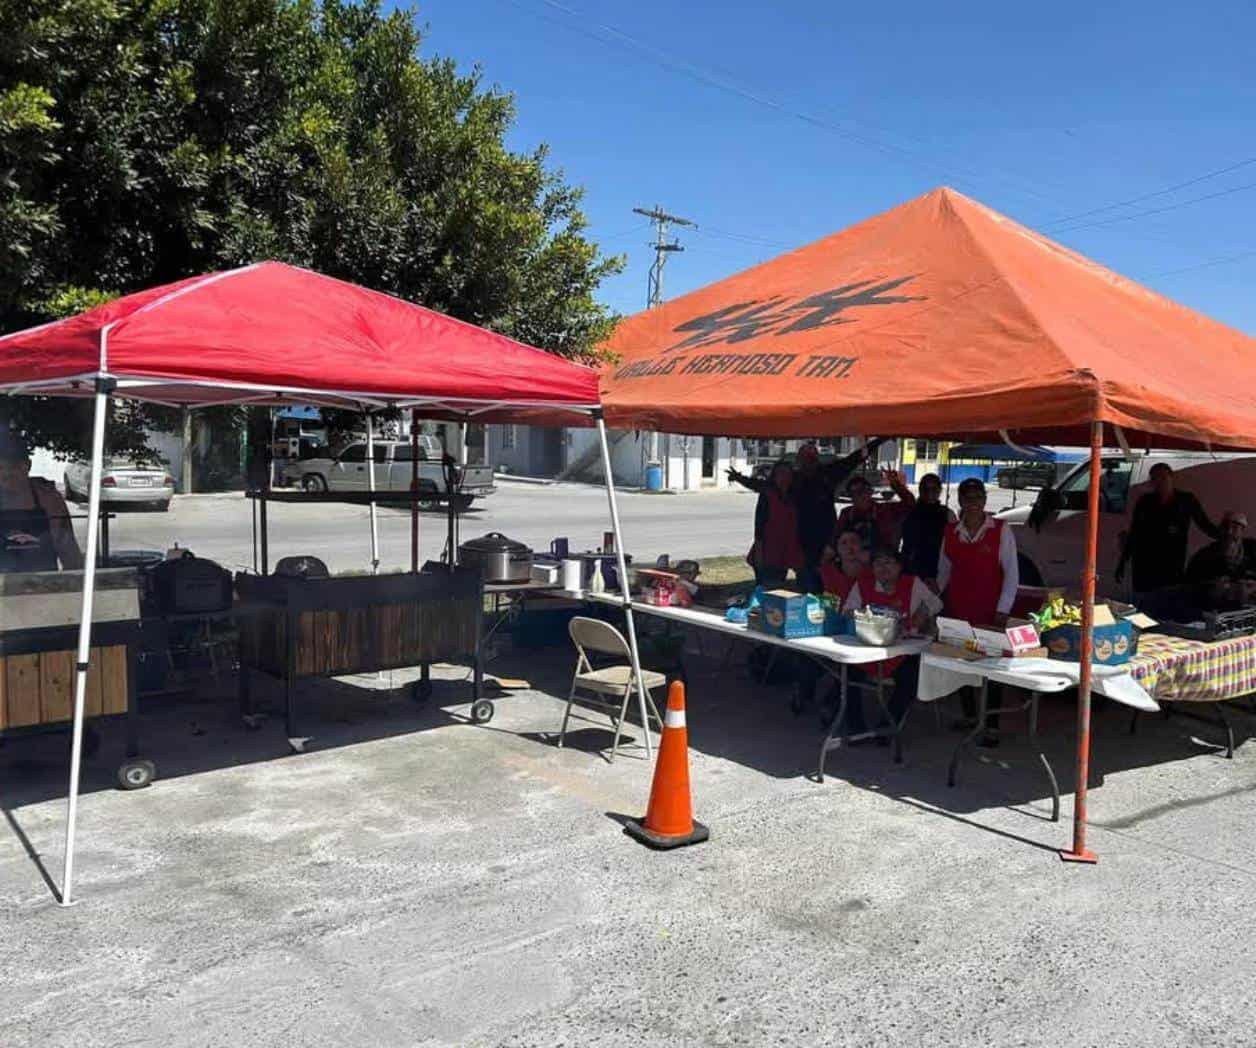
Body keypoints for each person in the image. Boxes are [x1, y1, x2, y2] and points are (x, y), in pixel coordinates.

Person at [936, 477, 1019, 746]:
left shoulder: (1001, 530)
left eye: (977, 497)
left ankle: (992, 724)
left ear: (984, 500)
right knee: (962, 663)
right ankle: (971, 716)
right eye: (967, 497)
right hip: (959, 609)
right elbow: (943, 572)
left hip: (990, 610)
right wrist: (931, 600)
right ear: (959, 501)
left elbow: (1011, 575)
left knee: (992, 670)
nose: (973, 503)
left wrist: (1003, 610)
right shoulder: (951, 532)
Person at [834, 547, 942, 742]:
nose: (883, 568)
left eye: (889, 563)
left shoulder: (912, 583)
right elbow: (847, 610)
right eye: (878, 564)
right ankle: (856, 726)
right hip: (868, 648)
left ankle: (887, 726)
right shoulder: (863, 585)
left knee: (911, 677)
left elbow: (935, 603)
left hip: (902, 649)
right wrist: (865, 616)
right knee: (846, 672)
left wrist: (923, 613)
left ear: (899, 566)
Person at [791, 439, 884, 592]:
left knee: (830, 590)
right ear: (799, 461)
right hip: (803, 546)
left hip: (828, 543)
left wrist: (880, 439)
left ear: (816, 459)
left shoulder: (828, 474)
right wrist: (740, 479)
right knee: (807, 592)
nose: (808, 462)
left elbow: (855, 458)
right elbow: (767, 486)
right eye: (804, 458)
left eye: (811, 458)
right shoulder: (794, 480)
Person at [1116, 462, 1220, 599]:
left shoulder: (1186, 500)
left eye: (1162, 478)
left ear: (1172, 477)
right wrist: (1123, 562)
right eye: (1154, 479)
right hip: (1144, 563)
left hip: (1171, 564)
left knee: (1168, 601)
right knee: (1144, 603)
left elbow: (1205, 525)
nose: (1159, 482)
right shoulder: (1145, 502)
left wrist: (1229, 535)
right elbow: (1135, 533)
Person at [0, 429, 84, 572]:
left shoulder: (49, 499)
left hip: (43, 588)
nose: (7, 474)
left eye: (15, 467)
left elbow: (70, 555)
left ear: (28, 466)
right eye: (1, 468)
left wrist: (74, 585)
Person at [727, 459, 802, 587]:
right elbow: (759, 527)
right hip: (767, 552)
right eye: (780, 474)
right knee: (767, 588)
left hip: (783, 554)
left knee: (778, 587)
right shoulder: (768, 495)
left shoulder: (794, 496)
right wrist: (759, 554)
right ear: (775, 476)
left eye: (787, 474)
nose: (784, 478)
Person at [834, 470, 916, 553]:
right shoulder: (847, 514)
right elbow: (836, 538)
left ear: (870, 492)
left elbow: (910, 503)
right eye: (855, 493)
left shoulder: (886, 510)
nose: (860, 495)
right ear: (851, 496)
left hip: (884, 560)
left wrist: (895, 484)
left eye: (863, 490)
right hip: (855, 560)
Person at [899, 472, 956, 587]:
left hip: (938, 573)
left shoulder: (947, 514)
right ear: (920, 490)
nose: (930, 493)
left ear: (940, 491)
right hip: (912, 571)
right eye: (926, 489)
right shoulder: (909, 511)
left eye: (934, 489)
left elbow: (953, 546)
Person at [1186, 510, 1256, 586]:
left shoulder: (1253, 550)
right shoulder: (1203, 556)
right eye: (1225, 527)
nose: (1229, 532)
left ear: (1242, 531)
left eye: (1235, 528)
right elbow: (1189, 584)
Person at [819, 527, 868, 603]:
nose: (849, 547)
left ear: (862, 545)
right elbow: (828, 604)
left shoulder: (873, 572)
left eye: (854, 541)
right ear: (837, 548)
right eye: (844, 543)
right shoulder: (828, 572)